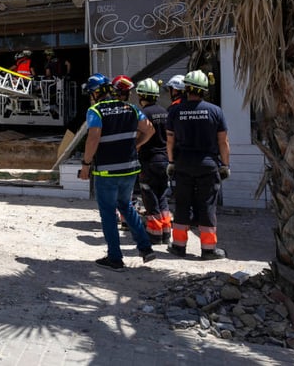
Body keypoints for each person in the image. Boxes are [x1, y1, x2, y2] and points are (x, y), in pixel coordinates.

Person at [78, 73, 157, 270]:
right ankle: (145, 248)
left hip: (107, 173)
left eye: (91, 94)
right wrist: (135, 145)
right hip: (130, 170)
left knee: (107, 213)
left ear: (96, 93)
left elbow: (93, 138)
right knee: (126, 206)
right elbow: (150, 130)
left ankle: (115, 258)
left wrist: (86, 165)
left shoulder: (95, 111)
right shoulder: (131, 108)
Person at [165, 70, 229, 260]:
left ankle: (178, 246)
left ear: (186, 88)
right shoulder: (215, 111)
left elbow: (170, 141)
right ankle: (208, 250)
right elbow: (223, 142)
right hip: (208, 167)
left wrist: (170, 162)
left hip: (182, 165)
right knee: (207, 205)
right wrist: (225, 165)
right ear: (204, 90)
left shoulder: (175, 110)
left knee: (182, 204)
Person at [135, 78, 172, 245]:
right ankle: (166, 231)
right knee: (162, 194)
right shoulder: (165, 112)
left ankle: (155, 234)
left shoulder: (143, 114)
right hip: (164, 160)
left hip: (148, 160)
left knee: (149, 196)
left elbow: (138, 135)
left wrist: (136, 146)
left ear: (141, 96)